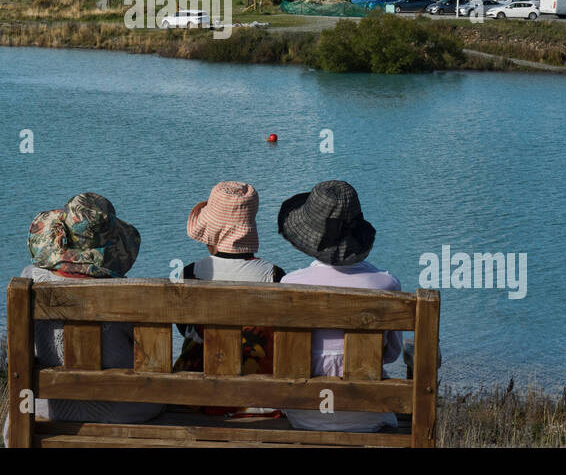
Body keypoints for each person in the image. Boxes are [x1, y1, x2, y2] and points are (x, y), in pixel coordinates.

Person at [2, 193, 162, 447]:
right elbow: (154, 360)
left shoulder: (31, 281)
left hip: (46, 405)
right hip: (126, 410)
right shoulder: (129, 293)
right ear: (111, 245)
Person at [276, 180, 404, 433]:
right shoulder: (386, 285)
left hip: (303, 415)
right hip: (369, 416)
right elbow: (391, 355)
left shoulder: (290, 285)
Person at [173, 183, 284, 393]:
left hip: (196, 392)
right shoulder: (275, 276)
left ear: (211, 231)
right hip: (258, 395)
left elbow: (184, 328)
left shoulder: (189, 274)